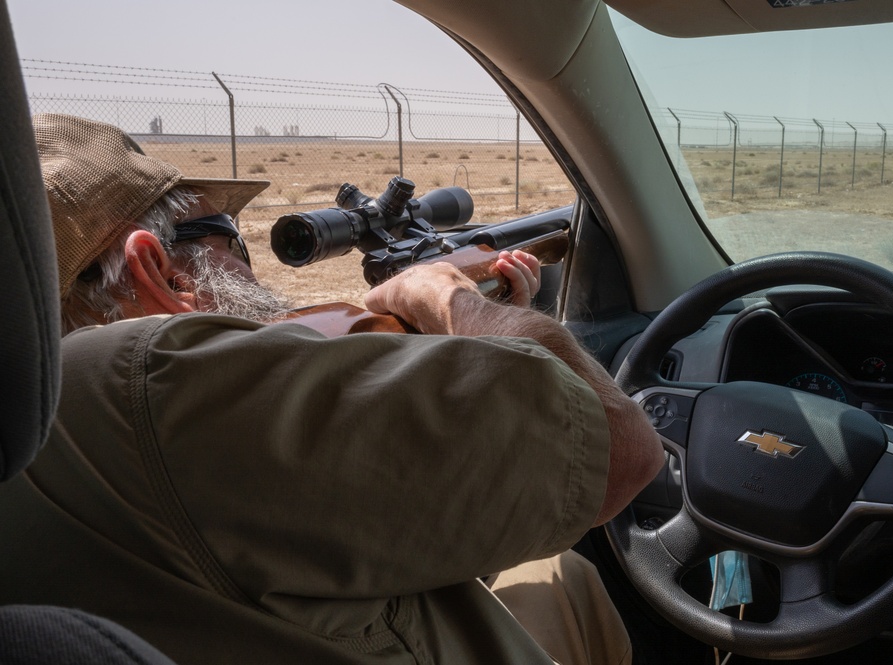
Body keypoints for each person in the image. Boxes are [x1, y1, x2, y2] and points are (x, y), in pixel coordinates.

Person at [0, 113, 663, 664]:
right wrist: (457, 301)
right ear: (157, 269)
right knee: (566, 576)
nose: (250, 267)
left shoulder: (38, 430)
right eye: (229, 239)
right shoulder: (148, 385)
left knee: (553, 578)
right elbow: (621, 450)